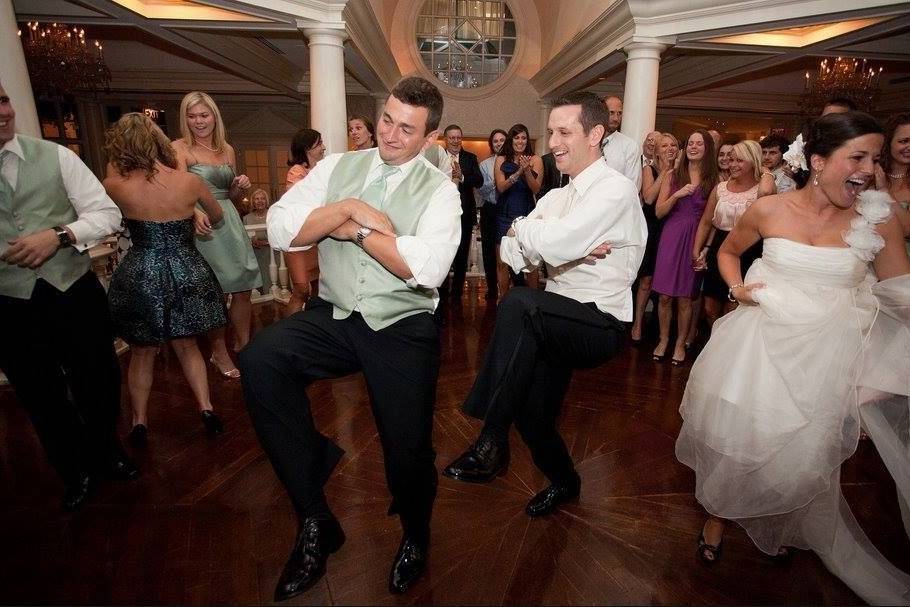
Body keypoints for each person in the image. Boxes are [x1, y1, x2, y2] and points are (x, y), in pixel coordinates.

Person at [676, 111, 910, 605]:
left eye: (875, 158)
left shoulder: (879, 219)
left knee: (802, 457)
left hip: (827, 358)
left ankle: (779, 520)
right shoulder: (769, 209)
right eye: (858, 157)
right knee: (740, 441)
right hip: (759, 346)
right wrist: (739, 291)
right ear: (819, 162)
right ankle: (717, 519)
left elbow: (900, 295)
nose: (869, 170)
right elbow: (728, 251)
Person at [239, 76, 460, 599]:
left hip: (403, 324)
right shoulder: (339, 167)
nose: (390, 134)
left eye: (407, 129)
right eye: (387, 119)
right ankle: (316, 520)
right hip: (338, 313)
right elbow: (280, 225)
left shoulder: (442, 192)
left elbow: (424, 269)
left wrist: (357, 232)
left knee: (407, 451)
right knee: (261, 361)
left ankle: (415, 533)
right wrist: (345, 210)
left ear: (428, 138)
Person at [442, 91, 646, 516]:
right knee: (534, 416)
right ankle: (565, 482)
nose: (552, 142)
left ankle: (490, 439)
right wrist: (545, 239)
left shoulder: (616, 190)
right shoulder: (555, 197)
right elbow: (510, 250)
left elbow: (552, 243)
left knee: (519, 302)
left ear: (595, 134)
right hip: (551, 322)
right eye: (550, 132)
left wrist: (542, 238)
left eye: (563, 132)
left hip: (599, 322)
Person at [0, 83, 137, 511]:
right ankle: (73, 469)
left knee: (98, 376)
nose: (3, 111)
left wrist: (59, 235)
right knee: (39, 391)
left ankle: (106, 450)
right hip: (8, 302)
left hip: (71, 288)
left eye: (3, 99)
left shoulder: (56, 156)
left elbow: (106, 214)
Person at [103, 113, 228, 445]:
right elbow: (217, 216)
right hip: (185, 268)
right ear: (160, 142)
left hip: (140, 272)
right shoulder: (189, 183)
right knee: (187, 345)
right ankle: (206, 408)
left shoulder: (114, 185)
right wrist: (193, 213)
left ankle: (139, 422)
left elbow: (105, 211)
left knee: (142, 351)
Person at [172, 91, 261, 379]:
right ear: (185, 119)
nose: (199, 121)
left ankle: (244, 345)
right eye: (192, 115)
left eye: (204, 115)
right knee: (216, 292)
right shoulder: (179, 149)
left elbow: (232, 197)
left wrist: (240, 186)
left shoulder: (227, 149)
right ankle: (219, 352)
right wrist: (194, 212)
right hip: (201, 225)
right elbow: (175, 193)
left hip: (229, 221)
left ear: (214, 117)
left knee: (243, 286)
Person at [651, 130, 718, 365]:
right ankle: (663, 340)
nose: (693, 147)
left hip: (695, 239)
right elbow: (659, 212)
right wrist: (677, 195)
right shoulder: (672, 175)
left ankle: (680, 343)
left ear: (707, 148)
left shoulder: (714, 179)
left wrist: (705, 248)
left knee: (685, 298)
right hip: (671, 235)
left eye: (699, 143)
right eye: (690, 142)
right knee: (665, 296)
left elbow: (712, 221)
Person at [692, 140, 774, 328]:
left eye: (740, 161)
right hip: (720, 246)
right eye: (731, 160)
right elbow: (706, 222)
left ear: (753, 161)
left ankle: (728, 349)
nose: (733, 165)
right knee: (710, 307)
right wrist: (696, 250)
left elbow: (767, 190)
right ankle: (715, 340)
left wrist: (766, 171)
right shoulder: (720, 188)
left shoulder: (762, 188)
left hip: (749, 249)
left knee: (734, 308)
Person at [631, 132, 678, 343]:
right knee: (646, 279)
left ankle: (663, 332)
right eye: (664, 145)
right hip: (652, 228)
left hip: (672, 227)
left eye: (672, 145)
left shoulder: (681, 172)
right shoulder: (648, 169)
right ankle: (637, 324)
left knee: (667, 281)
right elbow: (649, 197)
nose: (669, 148)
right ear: (656, 150)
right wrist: (666, 171)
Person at [494, 123, 543, 299]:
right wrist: (518, 172)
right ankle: (503, 300)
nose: (520, 141)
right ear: (511, 139)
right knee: (502, 262)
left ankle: (532, 301)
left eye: (523, 137)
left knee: (531, 262)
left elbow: (536, 189)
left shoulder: (535, 159)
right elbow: (500, 187)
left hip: (526, 213)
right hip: (504, 213)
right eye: (516, 137)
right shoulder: (501, 159)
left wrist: (527, 171)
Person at [283, 128, 326, 314]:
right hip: (299, 239)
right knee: (301, 290)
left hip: (318, 237)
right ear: (308, 148)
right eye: (319, 144)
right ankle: (286, 336)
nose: (324, 147)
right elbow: (297, 202)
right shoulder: (297, 171)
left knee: (318, 291)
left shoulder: (321, 170)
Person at [444, 124, 483, 298]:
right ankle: (441, 294)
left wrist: (463, 177)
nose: (455, 140)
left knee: (461, 254)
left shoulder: (470, 158)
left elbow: (479, 181)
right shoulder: (438, 157)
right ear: (446, 139)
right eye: (452, 137)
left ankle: (457, 295)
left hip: (464, 214)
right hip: (442, 215)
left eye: (458, 137)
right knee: (443, 254)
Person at [475, 129, 507, 300]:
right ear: (491, 144)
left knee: (507, 251)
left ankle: (511, 289)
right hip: (490, 209)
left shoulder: (513, 161)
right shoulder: (484, 164)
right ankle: (492, 289)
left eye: (502, 140)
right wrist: (497, 181)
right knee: (488, 251)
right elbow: (481, 189)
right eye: (495, 141)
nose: (499, 143)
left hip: (508, 210)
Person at [876, 113, 910, 248]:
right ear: (888, 143)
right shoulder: (871, 176)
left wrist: (884, 191)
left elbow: (908, 230)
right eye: (903, 141)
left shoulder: (880, 184)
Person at [600, 96, 642, 189]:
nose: (616, 118)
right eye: (611, 113)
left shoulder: (630, 146)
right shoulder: (587, 141)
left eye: (619, 113)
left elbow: (633, 186)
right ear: (601, 112)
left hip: (616, 201)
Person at [243, 188, 273, 296]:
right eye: (257, 199)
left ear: (267, 201)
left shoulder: (273, 215)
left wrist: (265, 242)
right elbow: (245, 238)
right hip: (256, 254)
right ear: (253, 202)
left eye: (263, 198)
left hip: (272, 253)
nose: (260, 201)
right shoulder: (247, 218)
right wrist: (252, 242)